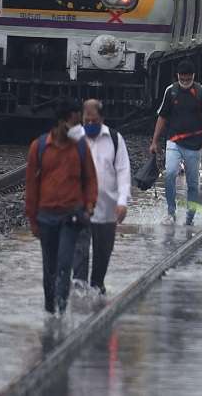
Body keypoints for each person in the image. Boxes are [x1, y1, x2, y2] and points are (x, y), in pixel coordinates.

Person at [25, 99, 98, 316]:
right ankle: (50, 307)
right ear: (61, 123)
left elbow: (91, 179)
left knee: (65, 264)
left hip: (71, 216)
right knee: (49, 268)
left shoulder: (81, 147)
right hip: (46, 217)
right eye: (74, 124)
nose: (78, 129)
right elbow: (31, 187)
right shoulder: (38, 148)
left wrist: (89, 205)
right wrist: (32, 219)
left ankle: (61, 309)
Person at [71, 99, 131, 296]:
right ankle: (79, 291)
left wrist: (122, 202)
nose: (89, 124)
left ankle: (97, 288)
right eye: (86, 120)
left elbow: (123, 173)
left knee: (102, 255)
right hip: (80, 207)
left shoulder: (115, 139)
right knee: (80, 249)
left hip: (107, 210)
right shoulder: (74, 138)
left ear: (102, 119)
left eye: (94, 121)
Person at [150, 60, 202, 226]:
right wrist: (154, 141)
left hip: (194, 144)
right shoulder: (171, 91)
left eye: (188, 79)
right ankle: (171, 212)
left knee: (193, 183)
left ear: (193, 77)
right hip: (173, 141)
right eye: (182, 79)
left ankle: (190, 216)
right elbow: (162, 117)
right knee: (170, 173)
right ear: (178, 76)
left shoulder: (201, 92)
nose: (185, 82)